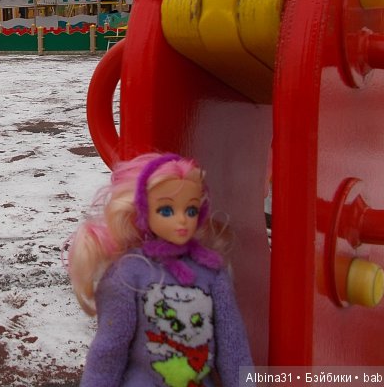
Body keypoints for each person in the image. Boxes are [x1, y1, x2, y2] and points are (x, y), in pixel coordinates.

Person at [67, 153, 252, 387]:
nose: (183, 220)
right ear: (143, 211)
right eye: (166, 210)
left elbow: (232, 346)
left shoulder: (212, 273)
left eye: (191, 210)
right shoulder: (128, 273)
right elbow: (110, 350)